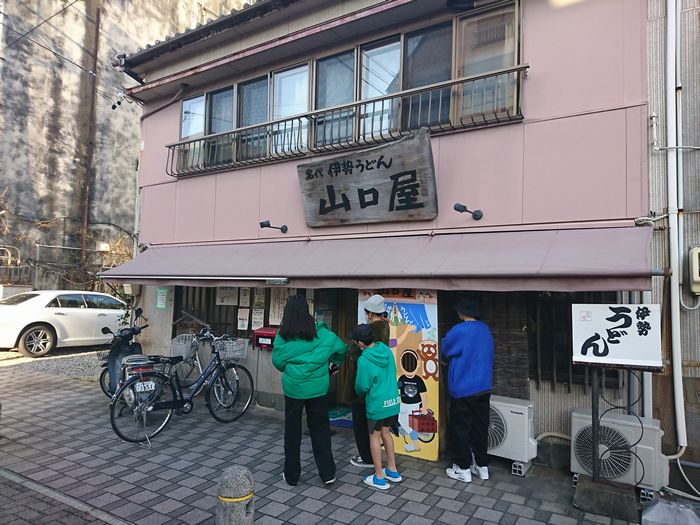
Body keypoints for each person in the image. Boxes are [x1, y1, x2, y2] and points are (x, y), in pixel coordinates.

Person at [272, 294, 347, 486]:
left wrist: (292, 368)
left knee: (292, 432)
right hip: (318, 390)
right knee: (320, 429)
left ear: (286, 313)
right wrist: (333, 364)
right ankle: (328, 474)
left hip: (293, 389)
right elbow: (342, 349)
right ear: (307, 311)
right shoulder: (322, 334)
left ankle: (291, 476)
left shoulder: (283, 335)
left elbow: (278, 362)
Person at [441, 296, 494, 483]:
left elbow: (446, 348)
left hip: (463, 388)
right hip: (483, 387)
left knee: (461, 428)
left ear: (462, 313)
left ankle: (462, 468)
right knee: (480, 427)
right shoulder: (485, 329)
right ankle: (482, 466)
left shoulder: (459, 330)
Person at [342, 294, 390, 468]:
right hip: (377, 381)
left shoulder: (373, 328)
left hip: (363, 380)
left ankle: (367, 457)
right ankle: (372, 456)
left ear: (369, 313)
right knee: (374, 426)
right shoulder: (384, 326)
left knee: (361, 422)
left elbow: (353, 351)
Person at [352, 323, 402, 490]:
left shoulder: (364, 359)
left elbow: (361, 386)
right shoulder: (386, 350)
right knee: (386, 434)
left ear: (360, 343)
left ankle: (379, 476)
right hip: (393, 402)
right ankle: (393, 470)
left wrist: (359, 392)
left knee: (374, 436)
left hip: (377, 405)